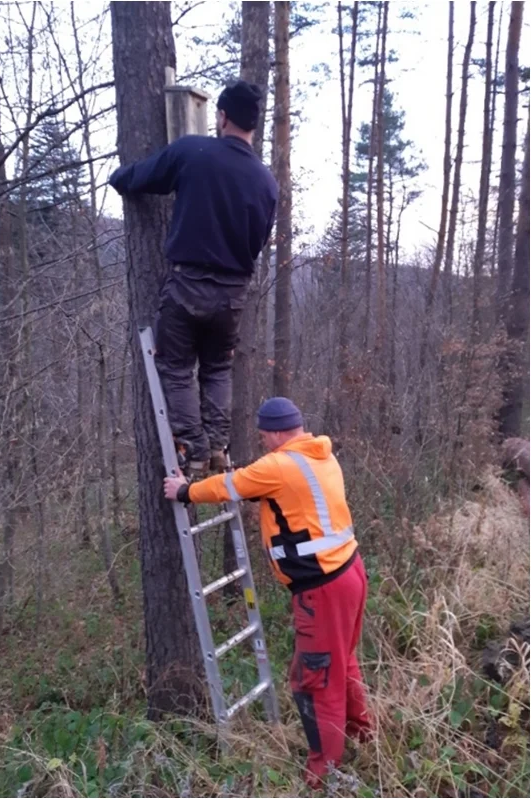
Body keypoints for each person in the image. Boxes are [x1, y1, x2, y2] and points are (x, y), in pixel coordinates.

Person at [163, 398, 372, 788]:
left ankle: (323, 772)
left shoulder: (277, 465)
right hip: (349, 572)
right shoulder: (318, 457)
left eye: (263, 437)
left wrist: (184, 490)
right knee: (341, 663)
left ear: (277, 432)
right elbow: (280, 494)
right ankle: (362, 735)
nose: (263, 443)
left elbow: (230, 486)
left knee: (315, 678)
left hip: (322, 587)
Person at [110, 79, 278, 475]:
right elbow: (258, 241)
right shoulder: (266, 182)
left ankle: (195, 450)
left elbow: (141, 177)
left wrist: (118, 177)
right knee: (218, 368)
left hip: (188, 285)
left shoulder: (193, 152)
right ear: (254, 125)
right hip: (233, 292)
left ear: (221, 117)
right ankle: (217, 445)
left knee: (176, 367)